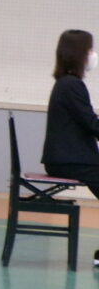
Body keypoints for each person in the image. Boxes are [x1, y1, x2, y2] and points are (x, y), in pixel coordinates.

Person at [43, 30, 99, 197]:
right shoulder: (72, 85)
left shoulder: (66, 83)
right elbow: (91, 123)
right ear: (79, 54)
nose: (93, 54)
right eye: (89, 50)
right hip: (71, 161)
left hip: (69, 159)